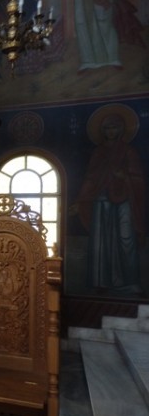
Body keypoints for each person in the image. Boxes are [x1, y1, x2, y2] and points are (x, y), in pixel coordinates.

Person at [73, 104, 145, 296]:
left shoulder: (129, 151)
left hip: (124, 200)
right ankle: (100, 282)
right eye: (107, 128)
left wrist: (124, 176)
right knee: (101, 241)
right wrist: (80, 199)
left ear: (121, 129)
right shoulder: (98, 152)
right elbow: (90, 178)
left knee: (126, 238)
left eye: (114, 127)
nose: (110, 131)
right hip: (101, 200)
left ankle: (130, 282)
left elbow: (138, 179)